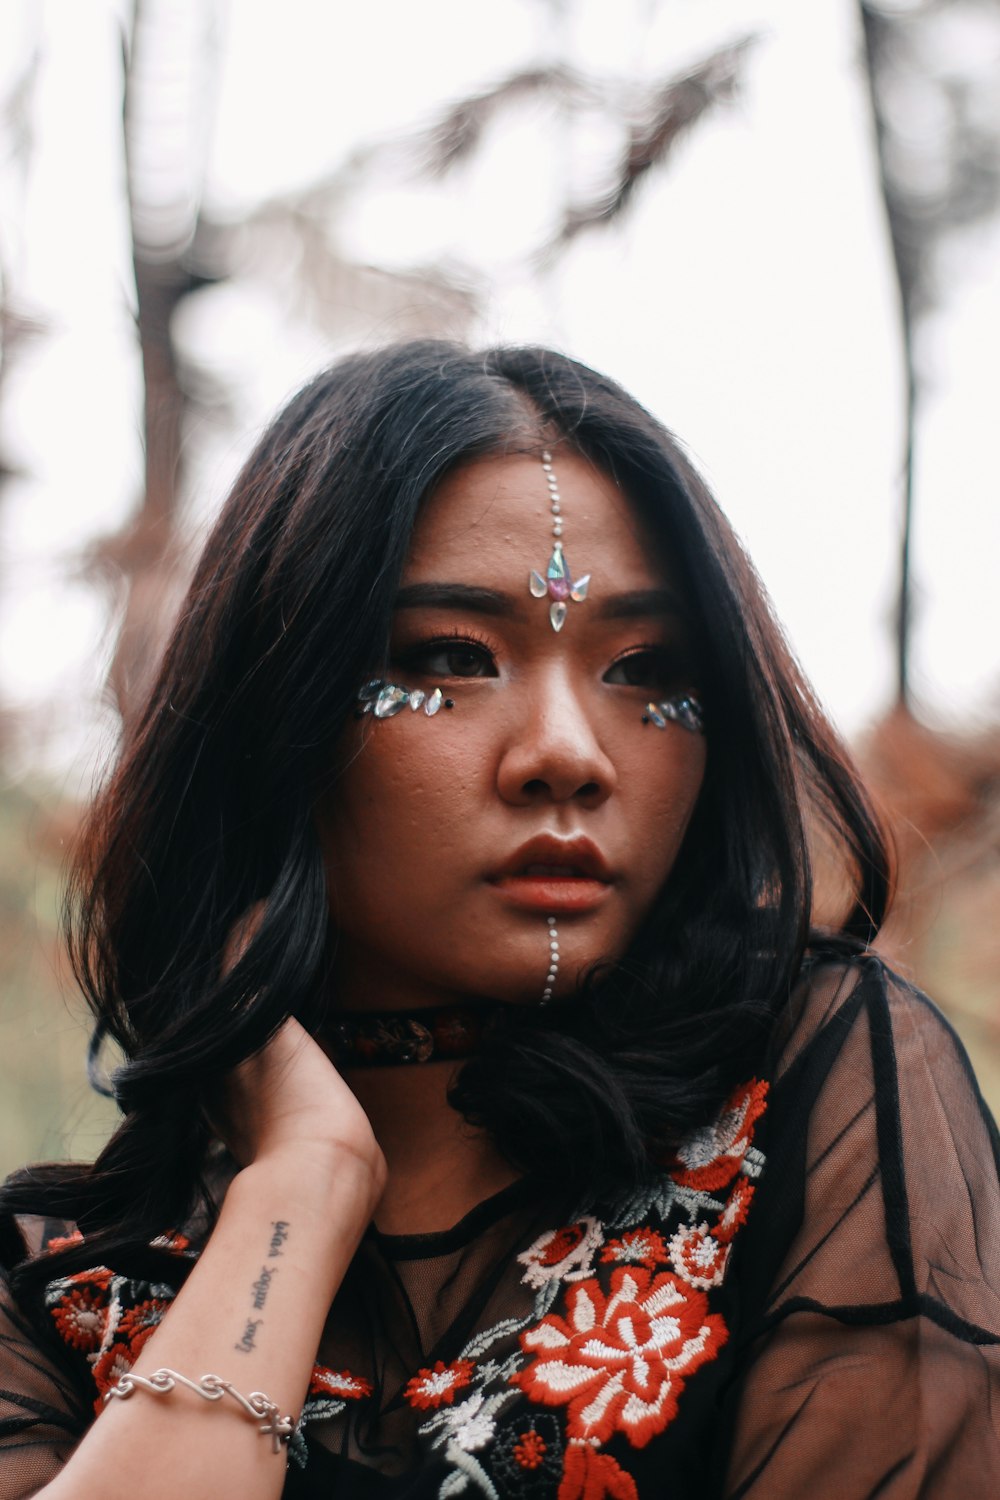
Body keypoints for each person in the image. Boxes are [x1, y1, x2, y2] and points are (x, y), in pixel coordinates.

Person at [0, 340, 997, 1500]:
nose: (568, 754)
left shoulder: (812, 1098)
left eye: (644, 667)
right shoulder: (53, 1286)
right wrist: (302, 1188)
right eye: (452, 658)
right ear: (280, 710)